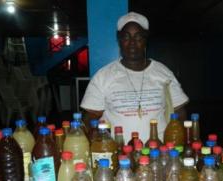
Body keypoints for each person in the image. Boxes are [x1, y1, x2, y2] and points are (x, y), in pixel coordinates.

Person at [80, 11, 189, 142]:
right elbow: (89, 119)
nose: (132, 43)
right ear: (119, 40)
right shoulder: (103, 76)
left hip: (160, 152)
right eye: (126, 37)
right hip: (118, 154)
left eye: (138, 37)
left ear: (145, 39)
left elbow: (180, 113)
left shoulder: (163, 73)